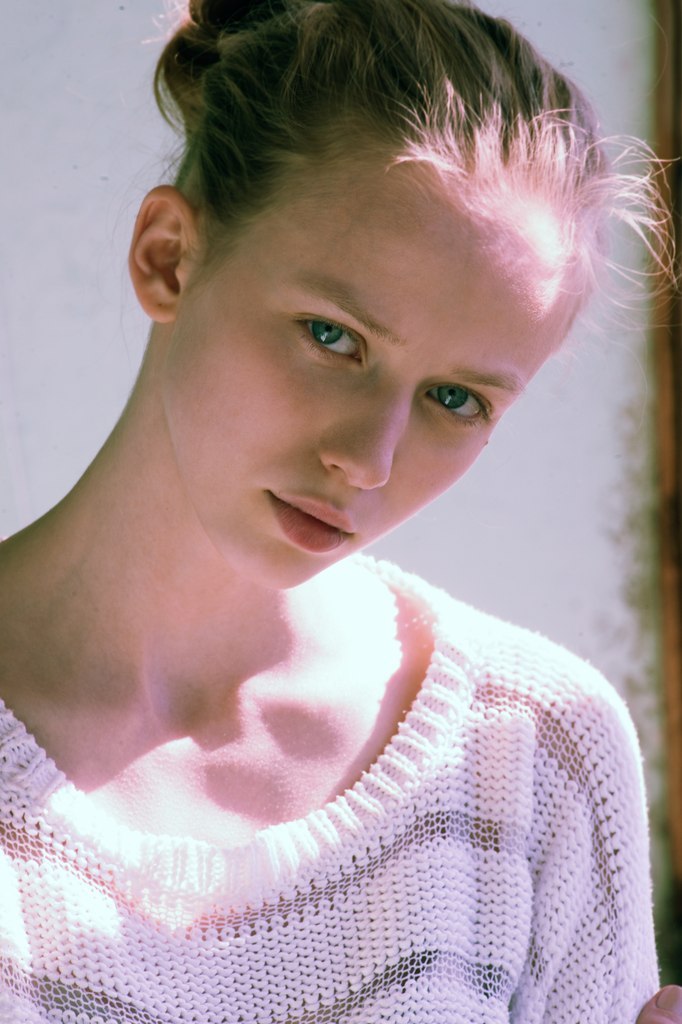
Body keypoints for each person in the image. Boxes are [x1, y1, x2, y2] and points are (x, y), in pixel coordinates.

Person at [0, 0, 679, 1021]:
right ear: (169, 257)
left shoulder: (537, 753)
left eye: (456, 399)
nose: (367, 458)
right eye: (332, 336)